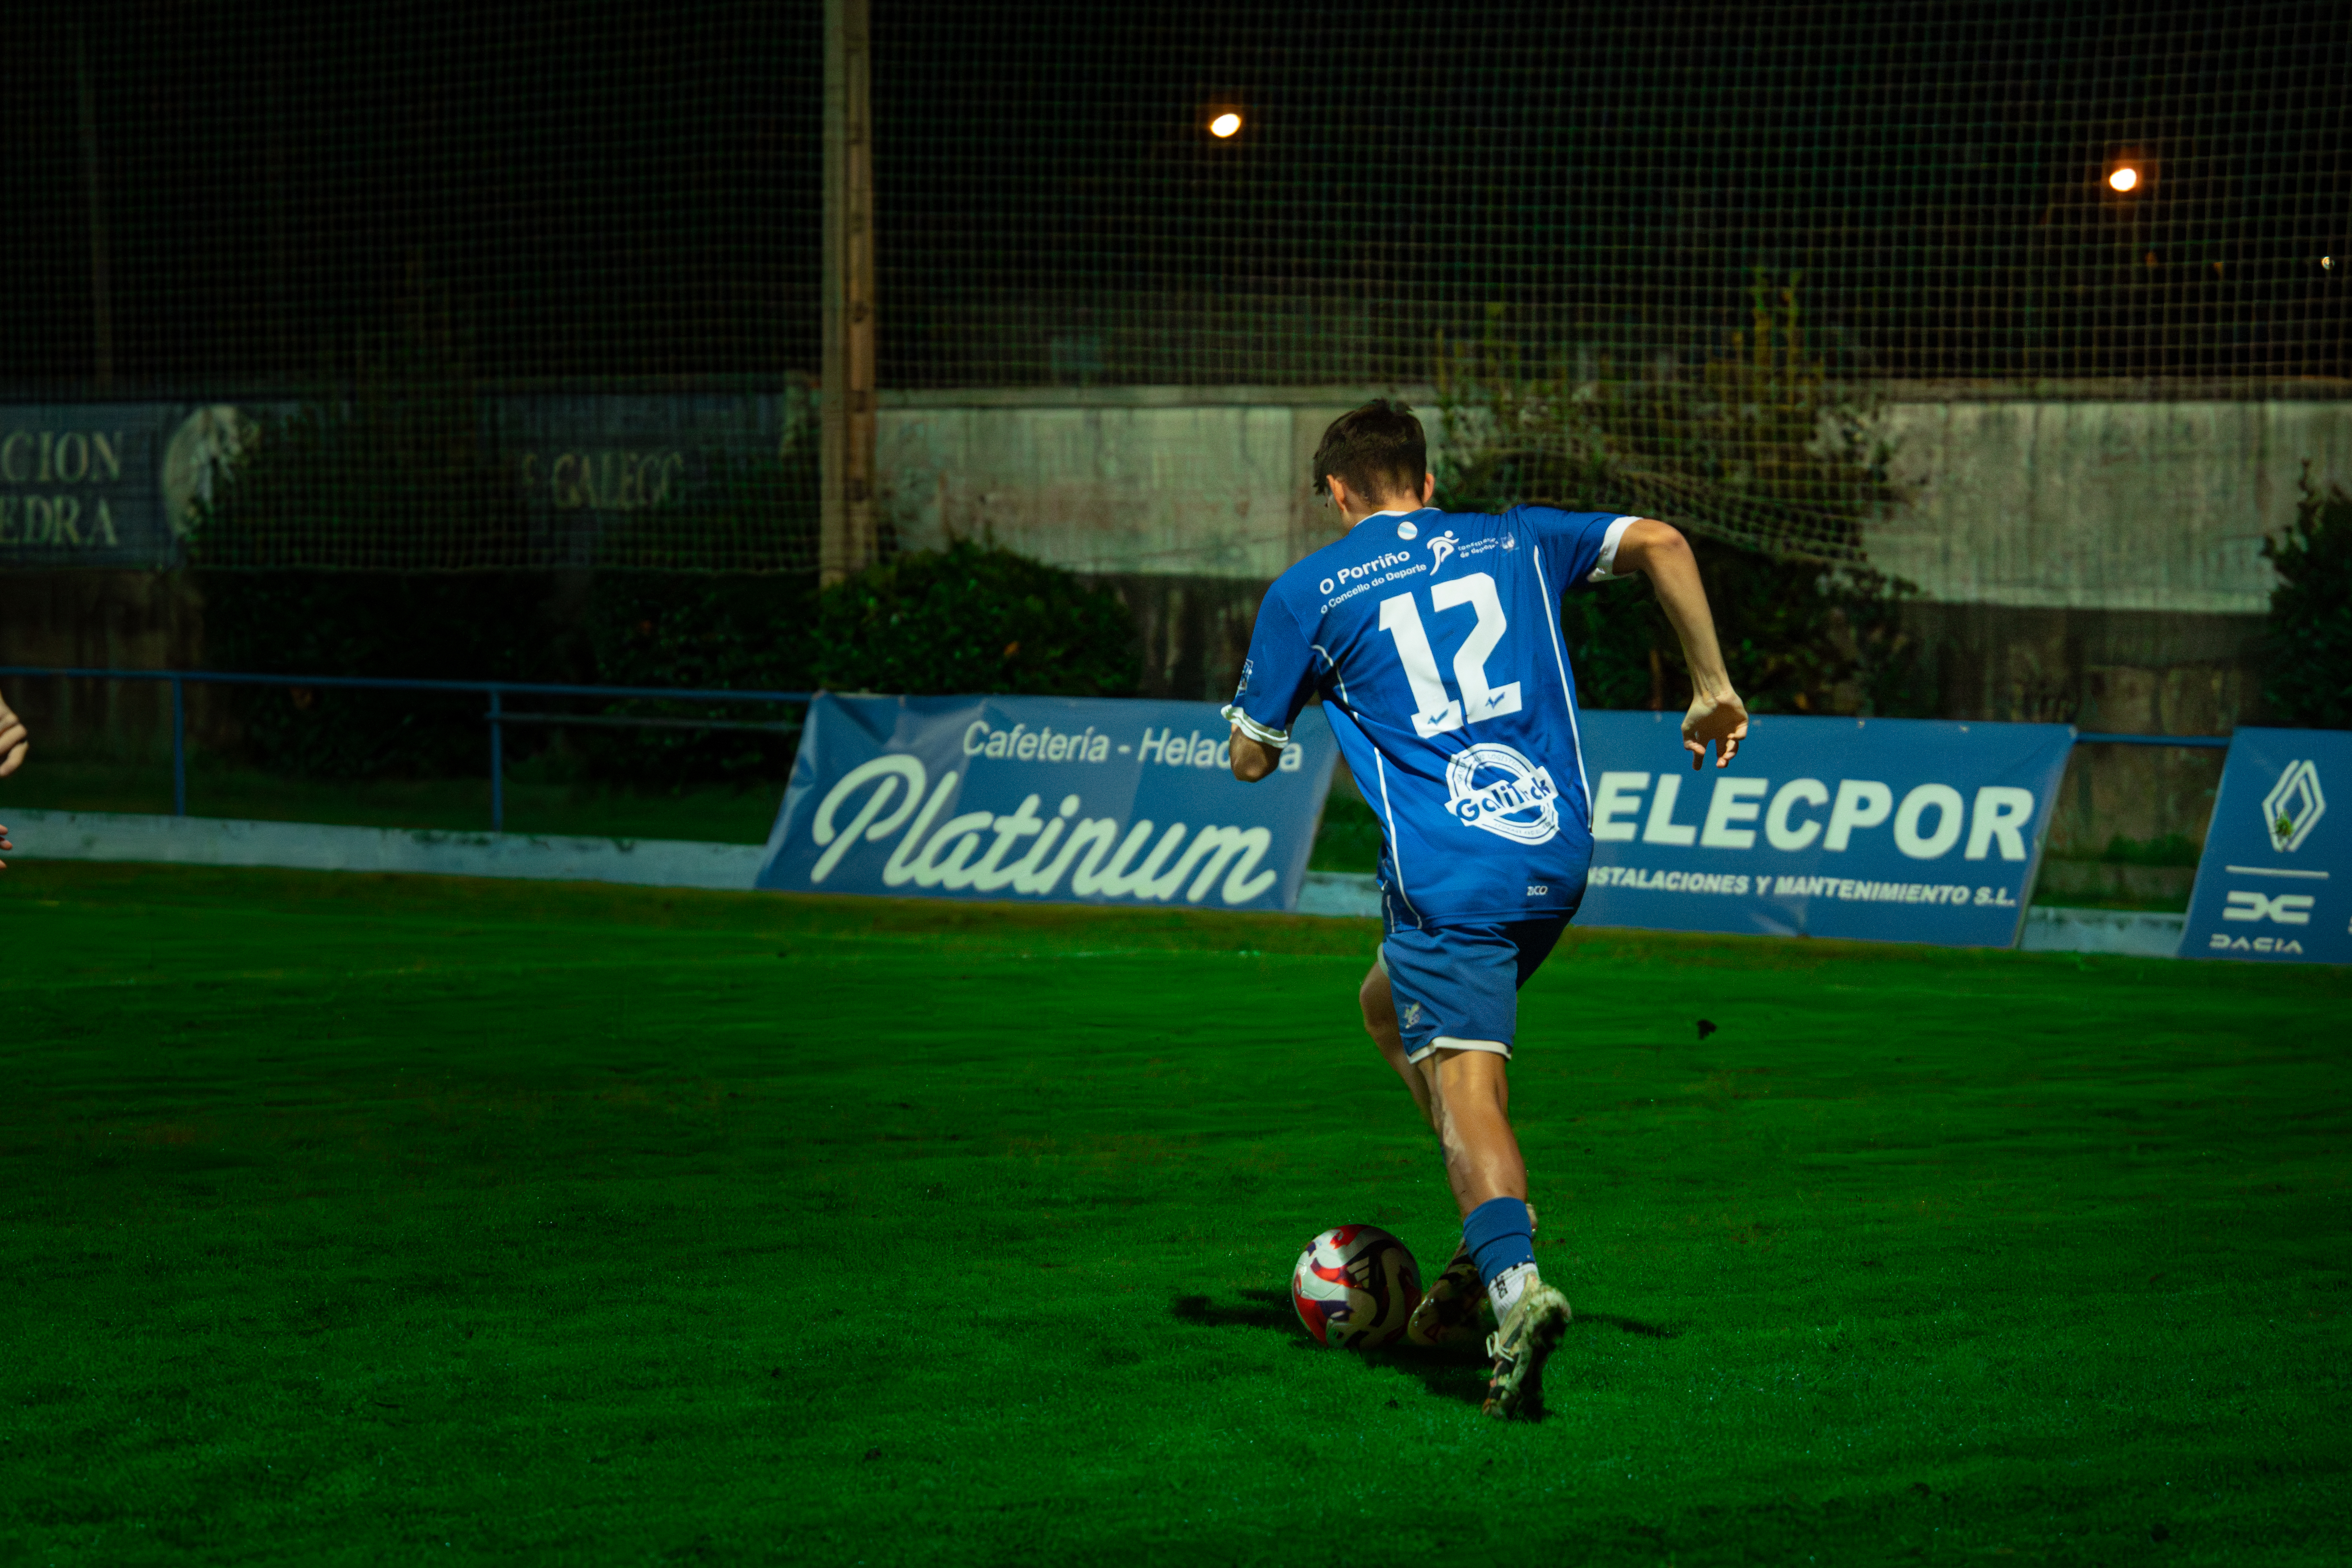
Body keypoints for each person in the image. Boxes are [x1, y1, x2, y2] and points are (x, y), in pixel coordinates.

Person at [1223, 400, 1746, 1419]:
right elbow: (1663, 542)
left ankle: (1514, 1291)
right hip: (1555, 854)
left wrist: (1267, 721)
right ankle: (1483, 1237)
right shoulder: (1513, 537)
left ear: (1338, 493)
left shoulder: (1308, 593)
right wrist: (1712, 684)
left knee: (1467, 1092)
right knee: (1384, 1007)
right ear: (1426, 478)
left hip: (1449, 875)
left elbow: (1250, 760)